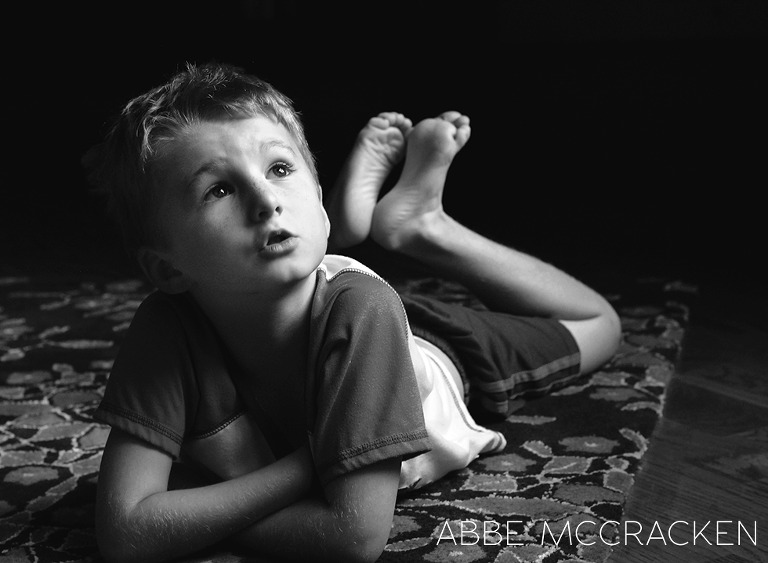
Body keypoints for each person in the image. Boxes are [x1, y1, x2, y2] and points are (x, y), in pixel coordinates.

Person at [88, 62, 621, 563]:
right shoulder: (166, 327)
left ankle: (426, 228)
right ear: (166, 269)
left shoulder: (364, 311)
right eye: (218, 189)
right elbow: (125, 531)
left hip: (439, 354)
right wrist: (308, 468)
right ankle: (375, 223)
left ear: (311, 198)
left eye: (279, 168)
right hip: (342, 308)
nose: (265, 198)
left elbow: (352, 536)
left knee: (601, 325)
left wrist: (193, 509)